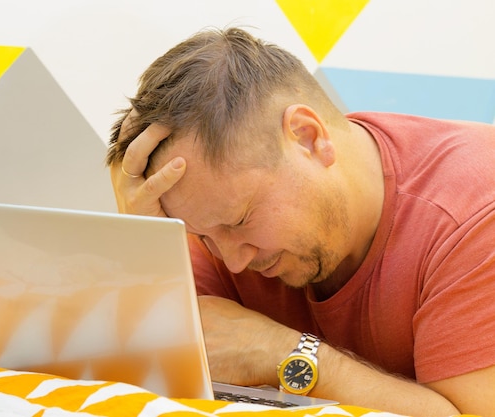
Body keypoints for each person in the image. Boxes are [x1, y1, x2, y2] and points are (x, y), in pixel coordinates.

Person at [104, 27, 495, 417]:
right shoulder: (214, 210)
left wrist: (280, 353)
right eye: (202, 236)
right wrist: (147, 240)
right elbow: (137, 364)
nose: (234, 261)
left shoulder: (474, 217)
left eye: (240, 221)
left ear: (309, 138)